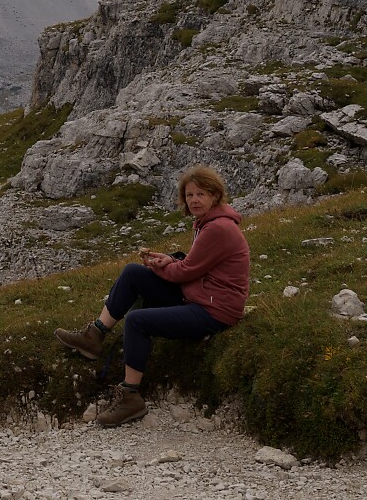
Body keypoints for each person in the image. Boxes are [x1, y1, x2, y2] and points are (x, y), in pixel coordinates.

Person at [53, 165, 250, 427]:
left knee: (137, 321)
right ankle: (94, 335)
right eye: (189, 195)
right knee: (133, 273)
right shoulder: (208, 223)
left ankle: (130, 397)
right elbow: (195, 265)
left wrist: (163, 266)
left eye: (201, 194)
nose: (194, 200)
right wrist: (168, 260)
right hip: (200, 296)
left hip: (213, 311)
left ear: (215, 195)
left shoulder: (218, 228)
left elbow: (186, 271)